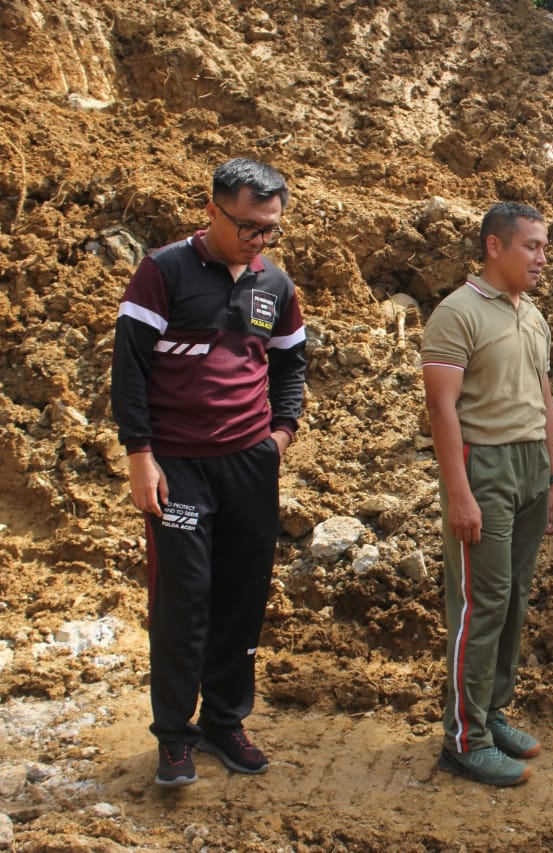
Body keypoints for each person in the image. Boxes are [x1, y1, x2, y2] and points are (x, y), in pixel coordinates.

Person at [111, 158, 306, 787]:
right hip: (178, 467)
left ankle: (226, 721)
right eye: (248, 226)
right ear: (211, 207)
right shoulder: (163, 271)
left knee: (242, 595)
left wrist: (280, 434)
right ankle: (174, 736)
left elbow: (290, 366)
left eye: (270, 229)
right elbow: (130, 370)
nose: (259, 240)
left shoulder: (272, 283)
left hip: (250, 462)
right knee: (184, 598)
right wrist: (141, 457)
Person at [420, 202, 553, 787]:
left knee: (512, 599)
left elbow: (545, 399)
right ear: (494, 247)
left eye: (544, 247)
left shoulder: (531, 314)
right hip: (483, 468)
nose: (541, 257)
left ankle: (492, 712)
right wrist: (460, 494)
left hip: (532, 467)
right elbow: (441, 408)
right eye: (531, 245)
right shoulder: (457, 314)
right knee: (481, 605)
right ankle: (464, 738)